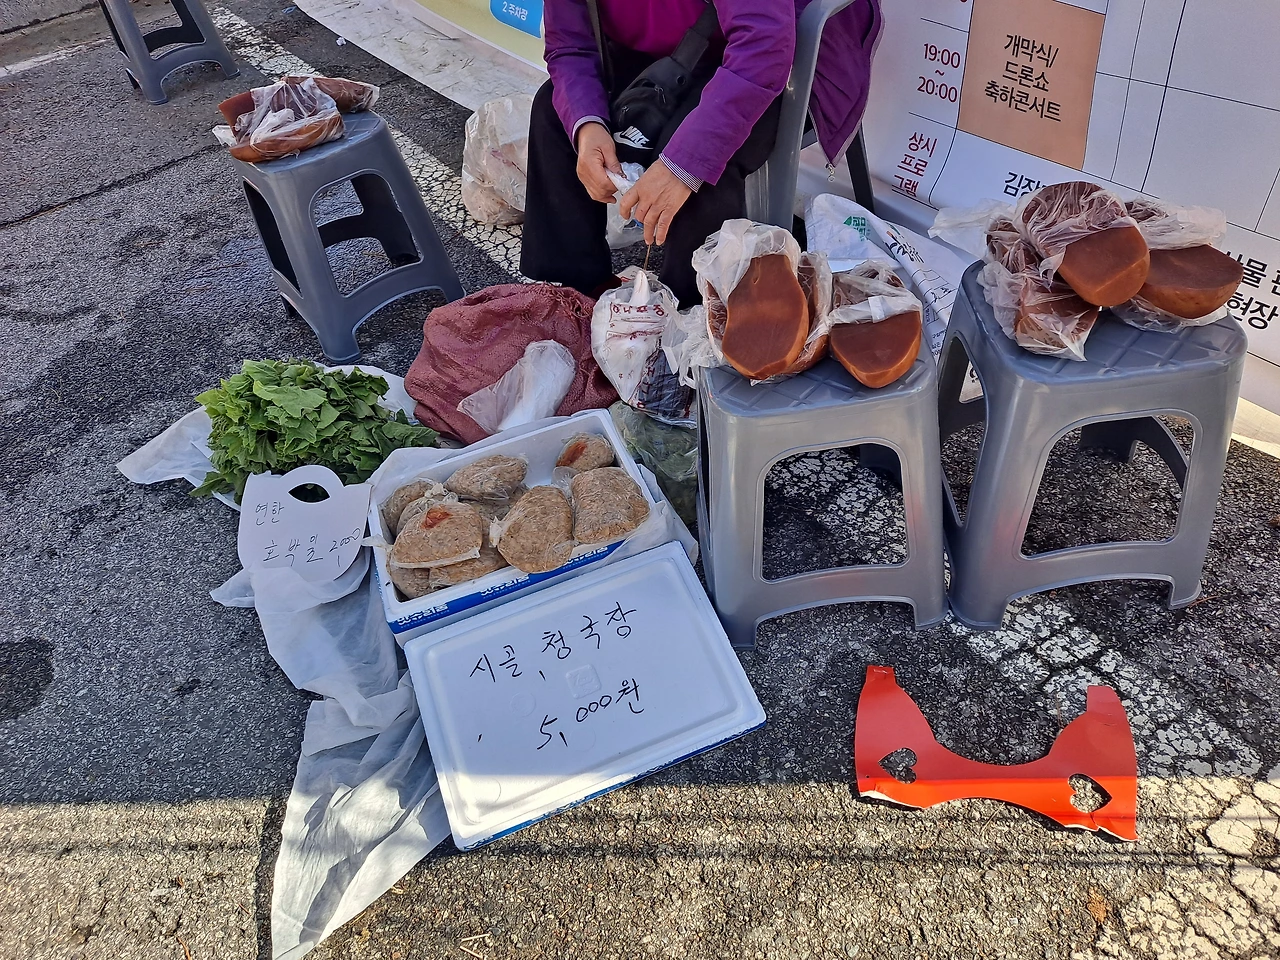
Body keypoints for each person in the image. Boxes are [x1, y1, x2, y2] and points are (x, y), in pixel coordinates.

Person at [521, 0, 883, 307]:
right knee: (555, 110)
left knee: (701, 154)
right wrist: (587, 126)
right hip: (670, 49)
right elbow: (569, 44)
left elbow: (764, 45)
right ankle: (578, 294)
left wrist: (683, 165)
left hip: (780, 53)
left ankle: (689, 319)